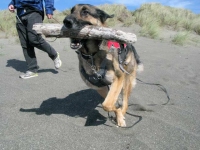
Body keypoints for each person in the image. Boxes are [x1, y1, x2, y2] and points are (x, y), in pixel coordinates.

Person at [8, 0, 62, 79]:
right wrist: (12, 4)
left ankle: (54, 55)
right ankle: (32, 70)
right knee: (25, 44)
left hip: (34, 11)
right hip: (20, 14)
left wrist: (49, 9)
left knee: (34, 39)